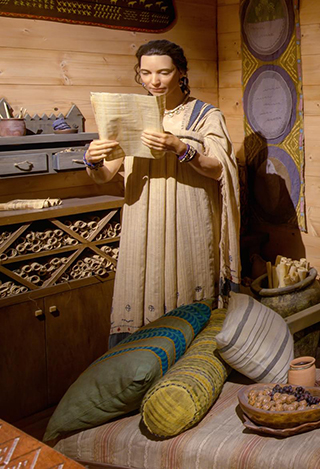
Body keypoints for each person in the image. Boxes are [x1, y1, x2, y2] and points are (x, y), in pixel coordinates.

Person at [85, 40, 240, 347]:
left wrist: (180, 148)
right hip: (143, 218)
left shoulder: (205, 115)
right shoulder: (131, 114)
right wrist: (92, 160)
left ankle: (191, 367)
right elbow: (106, 175)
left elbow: (220, 169)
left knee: (188, 285)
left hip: (190, 218)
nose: (154, 81)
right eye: (145, 73)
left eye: (164, 72)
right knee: (145, 282)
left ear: (181, 72)